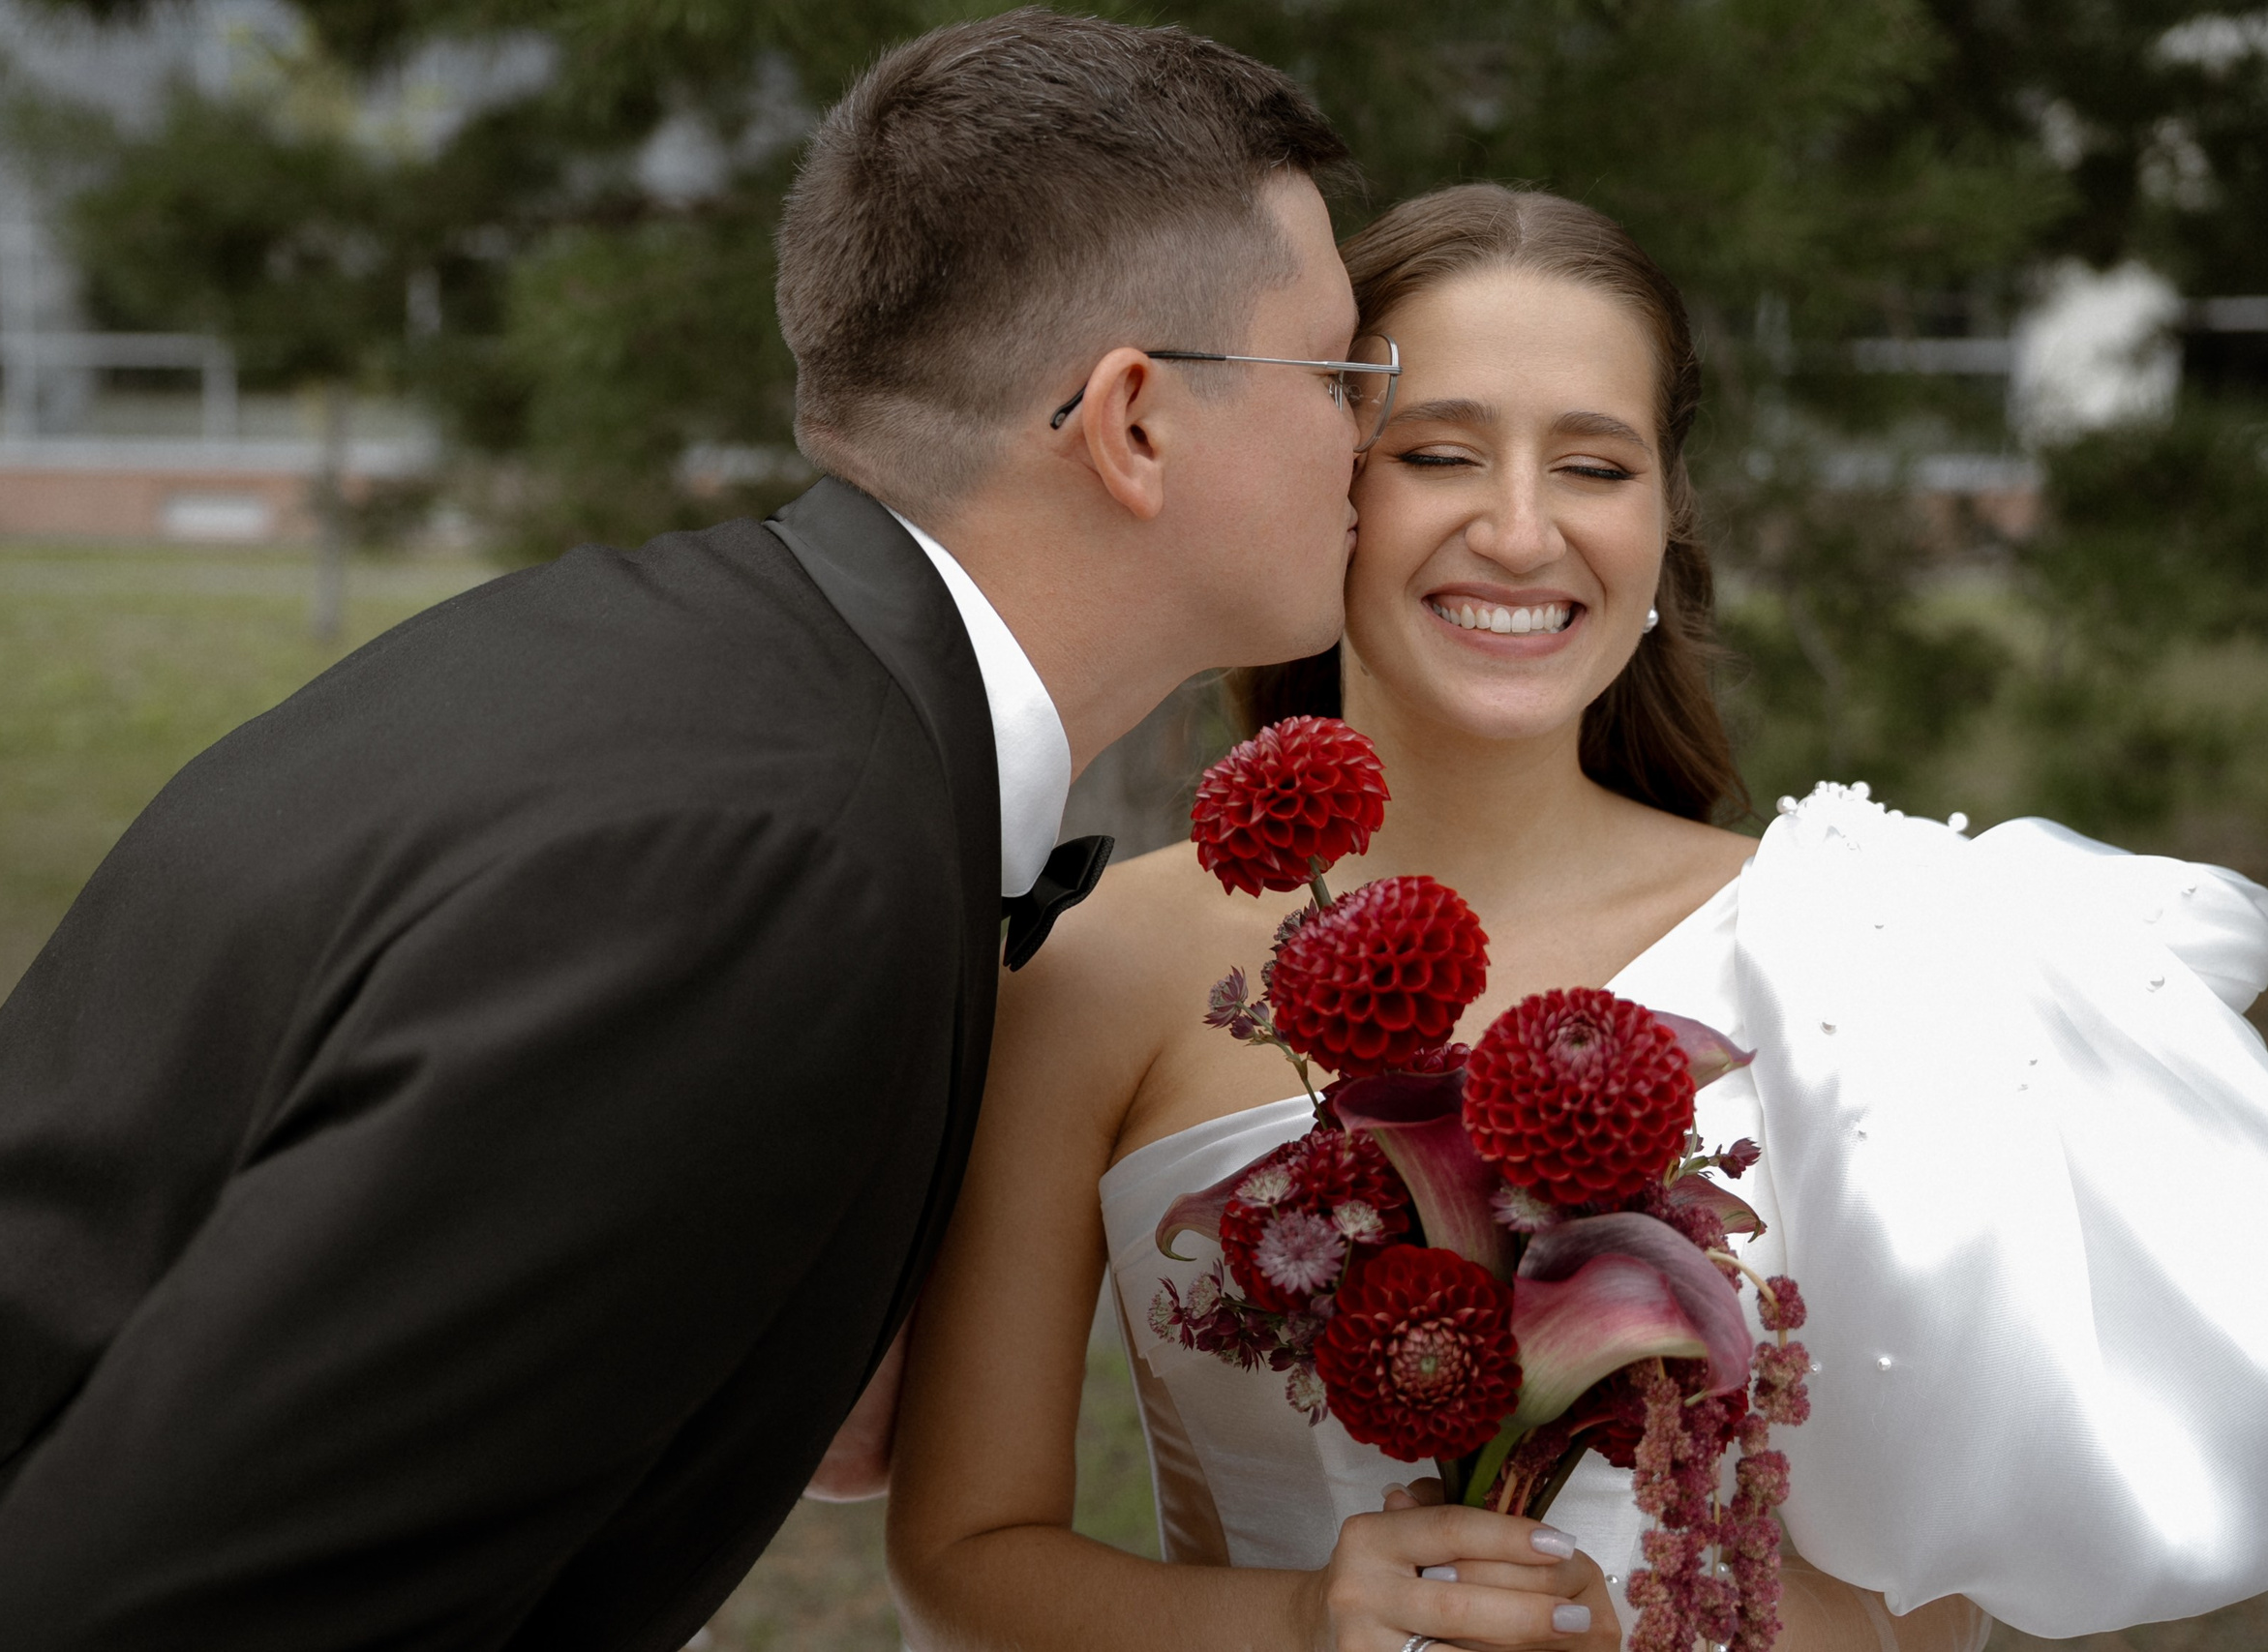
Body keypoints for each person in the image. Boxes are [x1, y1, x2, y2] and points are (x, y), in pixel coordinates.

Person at [0, 14, 1393, 1649]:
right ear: (1134, 423)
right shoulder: (765, 870)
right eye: (1341, 371)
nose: (1374, 434)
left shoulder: (667, 678)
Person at [888, 184, 2268, 1652]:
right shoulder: (1099, 971)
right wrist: (1296, 1620)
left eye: (1596, 466)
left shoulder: (1867, 949)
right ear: (1327, 492)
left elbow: (1935, 1583)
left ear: (1666, 522)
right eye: (1437, 453)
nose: (1522, 529)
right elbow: (966, 1557)